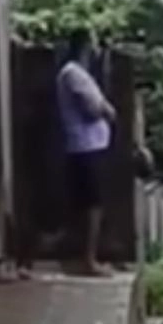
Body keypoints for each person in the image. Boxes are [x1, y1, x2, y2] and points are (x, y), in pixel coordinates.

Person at [57, 28, 116, 275]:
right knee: (92, 206)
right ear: (84, 47)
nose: (95, 50)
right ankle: (88, 260)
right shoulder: (74, 74)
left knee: (86, 204)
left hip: (88, 146)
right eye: (92, 45)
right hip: (86, 147)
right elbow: (92, 109)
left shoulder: (78, 74)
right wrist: (106, 109)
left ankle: (81, 258)